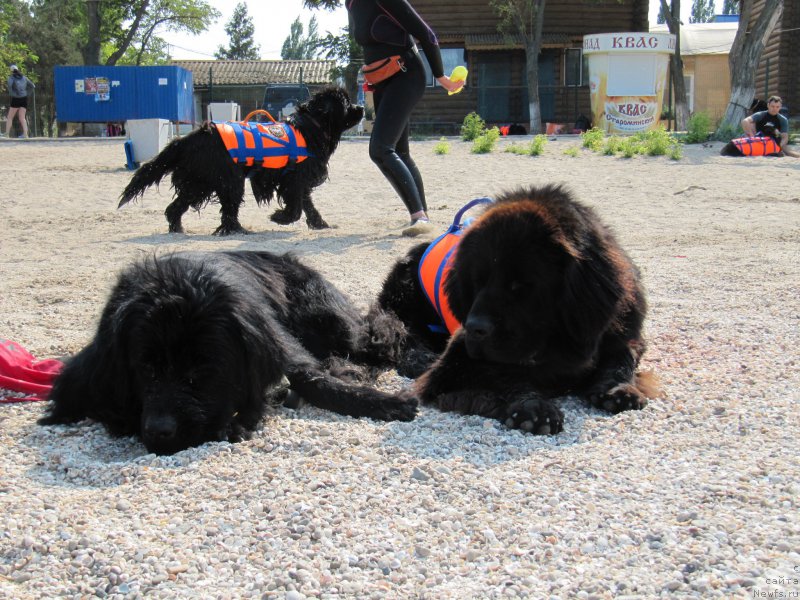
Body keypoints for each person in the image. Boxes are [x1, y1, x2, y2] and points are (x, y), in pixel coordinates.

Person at [346, 0, 463, 236]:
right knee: (400, 152)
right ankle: (423, 217)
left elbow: (426, 34)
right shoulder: (350, 3)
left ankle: (418, 217)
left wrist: (441, 77)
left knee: (380, 149)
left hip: (406, 75)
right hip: (382, 81)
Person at [5, 65, 35, 139]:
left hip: (15, 99)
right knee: (22, 118)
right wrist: (27, 93)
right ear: (18, 69)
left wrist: (11, 93)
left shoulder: (11, 77)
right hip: (24, 98)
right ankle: (25, 135)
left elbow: (9, 85)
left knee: (10, 117)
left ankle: (7, 134)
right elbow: (33, 86)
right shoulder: (24, 77)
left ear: (11, 71)